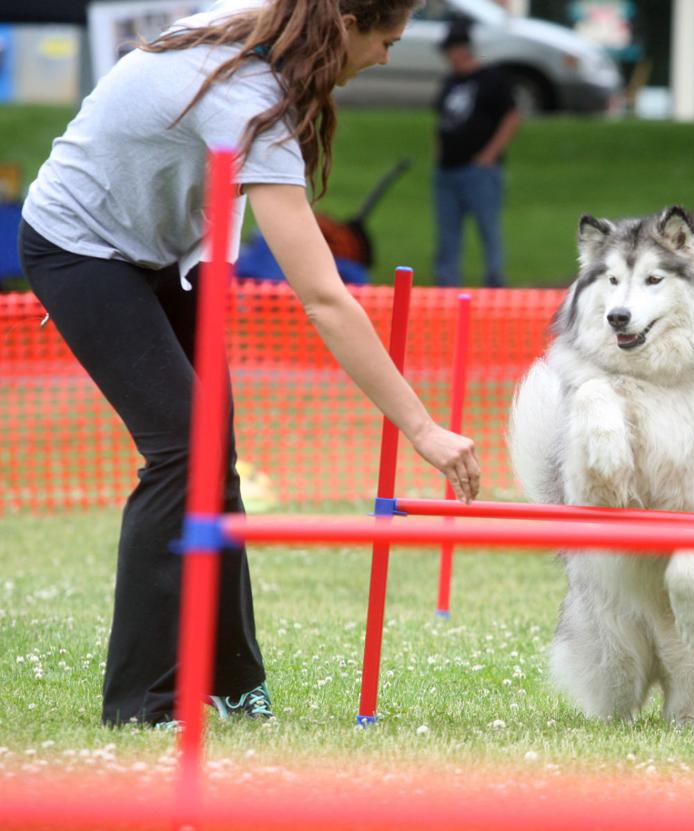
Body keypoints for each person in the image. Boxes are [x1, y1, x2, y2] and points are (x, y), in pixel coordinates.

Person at [17, 0, 481, 728]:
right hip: (78, 246)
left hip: (166, 250)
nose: (389, 56)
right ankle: (142, 702)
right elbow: (324, 296)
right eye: (386, 40)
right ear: (346, 26)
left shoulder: (271, 28)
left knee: (213, 456)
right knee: (181, 450)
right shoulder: (248, 100)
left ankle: (232, 680)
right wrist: (422, 429)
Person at [432, 18, 521, 288]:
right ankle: (446, 282)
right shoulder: (450, 82)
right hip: (447, 169)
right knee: (447, 232)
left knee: (487, 228)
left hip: (479, 169)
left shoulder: (491, 79)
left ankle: (495, 281)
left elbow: (512, 116)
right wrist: (438, 155)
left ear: (465, 50)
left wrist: (489, 154)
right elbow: (442, 121)